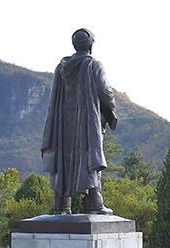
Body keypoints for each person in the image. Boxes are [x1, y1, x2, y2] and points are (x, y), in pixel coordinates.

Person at [42, 28, 117, 215]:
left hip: (62, 124)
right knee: (89, 156)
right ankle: (93, 202)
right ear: (91, 44)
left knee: (63, 160)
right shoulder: (94, 66)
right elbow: (104, 91)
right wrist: (111, 108)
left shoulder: (61, 68)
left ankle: (60, 205)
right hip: (86, 122)